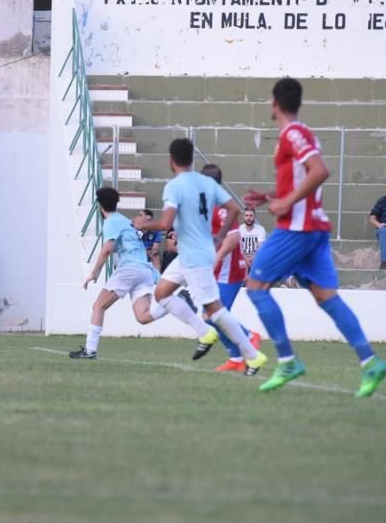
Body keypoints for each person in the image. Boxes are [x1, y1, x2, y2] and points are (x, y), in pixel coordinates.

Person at [244, 77, 386, 397]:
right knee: (327, 297)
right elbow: (303, 179)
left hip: (298, 228)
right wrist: (271, 196)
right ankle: (371, 361)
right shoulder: (302, 133)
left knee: (256, 288)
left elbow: (319, 171)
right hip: (313, 227)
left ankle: (287, 359)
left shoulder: (293, 133)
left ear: (275, 103)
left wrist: (285, 203)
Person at [134, 138, 267, 373]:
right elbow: (235, 208)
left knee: (214, 311)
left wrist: (144, 225)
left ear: (171, 161)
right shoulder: (205, 183)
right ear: (192, 160)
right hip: (189, 254)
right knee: (162, 292)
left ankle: (252, 355)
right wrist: (219, 236)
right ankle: (206, 333)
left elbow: (165, 223)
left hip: (195, 257)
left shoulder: (175, 186)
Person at [69, 187, 211, 360]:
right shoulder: (124, 220)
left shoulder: (111, 222)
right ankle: (178, 300)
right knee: (143, 317)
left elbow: (106, 250)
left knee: (99, 306)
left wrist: (93, 273)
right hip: (144, 270)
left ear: (100, 206)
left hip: (130, 269)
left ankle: (90, 350)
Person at [201, 164, 263, 374]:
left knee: (213, 316)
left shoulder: (222, 206)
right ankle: (236, 358)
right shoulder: (209, 205)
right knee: (209, 316)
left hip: (229, 272)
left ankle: (248, 336)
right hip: (220, 272)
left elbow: (234, 238)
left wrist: (216, 260)